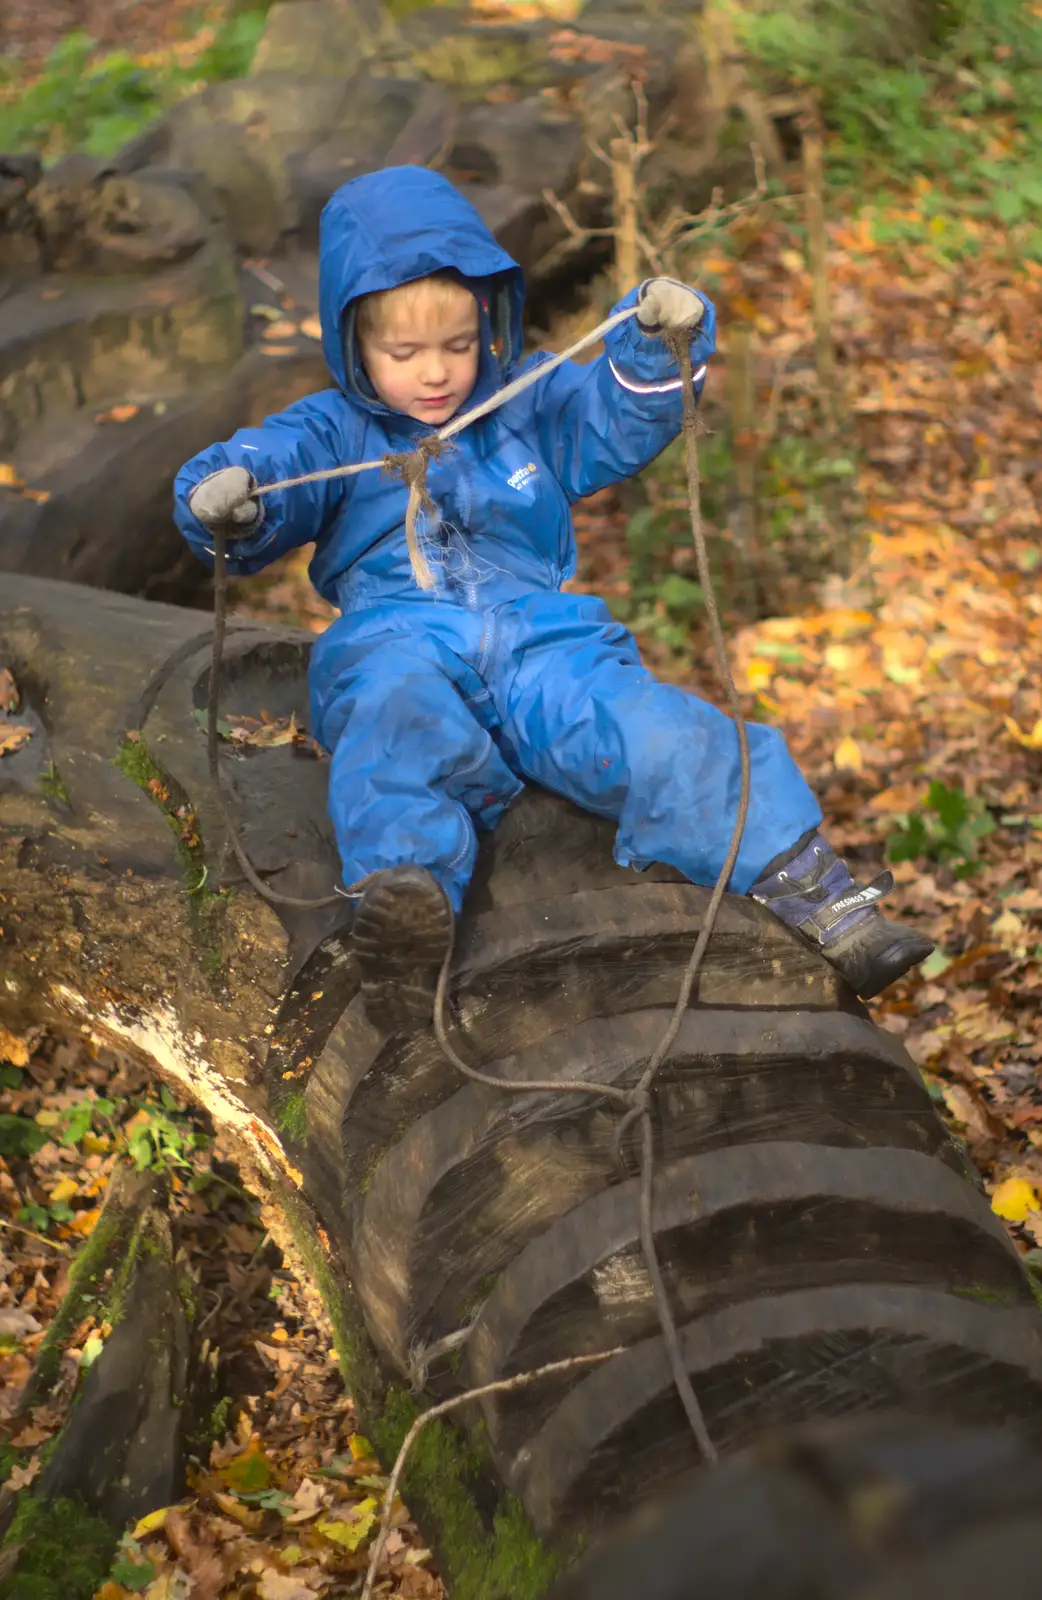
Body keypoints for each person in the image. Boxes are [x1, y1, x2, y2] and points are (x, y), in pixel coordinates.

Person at [174, 165, 932, 1032]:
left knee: (658, 731)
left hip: (541, 638)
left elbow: (611, 418)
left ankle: (822, 897)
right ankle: (407, 907)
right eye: (404, 353)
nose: (436, 374)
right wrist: (228, 494)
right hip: (400, 636)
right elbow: (274, 474)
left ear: (488, 324)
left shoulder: (520, 400)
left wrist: (654, 345)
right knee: (391, 720)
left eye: (458, 345)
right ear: (354, 345)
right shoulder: (333, 430)